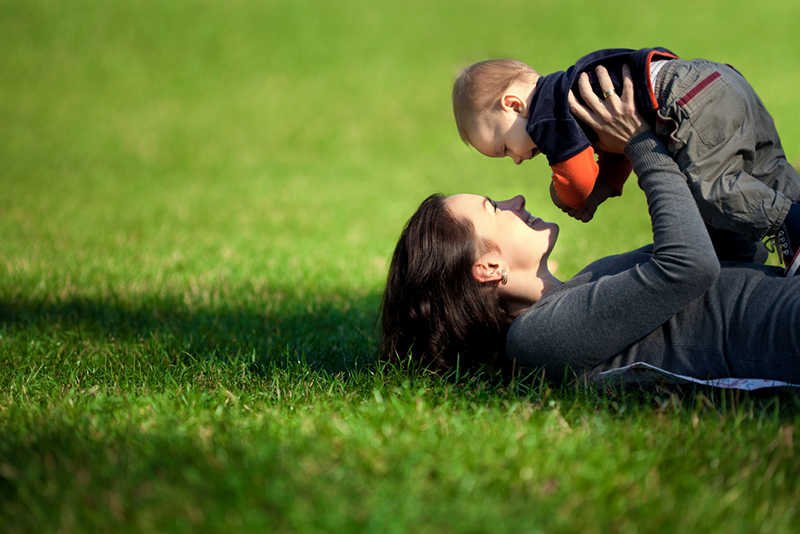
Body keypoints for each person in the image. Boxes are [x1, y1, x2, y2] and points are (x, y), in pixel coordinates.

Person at [382, 68, 800, 385]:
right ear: (489, 268)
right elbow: (690, 267)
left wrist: (688, 146)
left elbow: (739, 252)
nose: (517, 200)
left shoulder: (590, 280)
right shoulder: (535, 339)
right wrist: (640, 142)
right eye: (494, 207)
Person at [451, 48, 800, 274]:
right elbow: (618, 151)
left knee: (711, 188)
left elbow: (577, 179)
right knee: (769, 170)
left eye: (504, 147)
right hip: (718, 80)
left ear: (513, 105)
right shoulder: (571, 94)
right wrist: (607, 187)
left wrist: (568, 197)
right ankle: (792, 224)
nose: (515, 160)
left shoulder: (547, 114)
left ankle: (791, 223)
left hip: (684, 102)